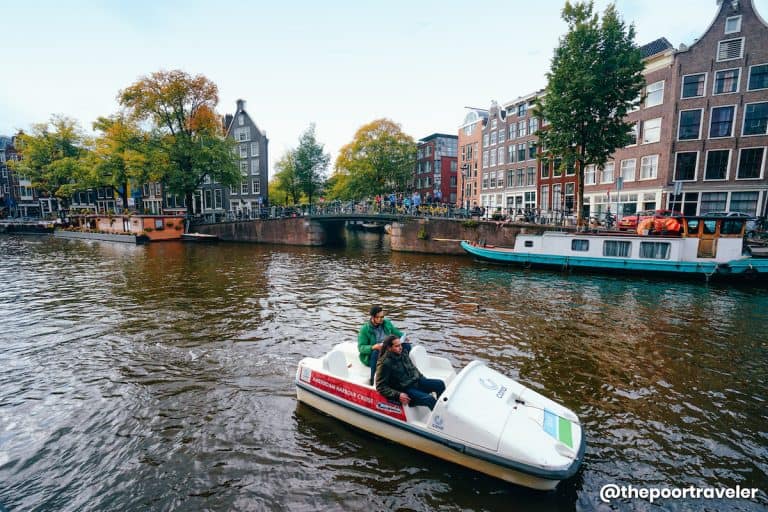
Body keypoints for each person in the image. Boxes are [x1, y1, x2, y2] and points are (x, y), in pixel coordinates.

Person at [375, 335, 445, 410]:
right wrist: (398, 395)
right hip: (405, 389)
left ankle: (442, 409)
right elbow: (380, 386)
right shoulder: (384, 363)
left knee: (440, 384)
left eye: (400, 345)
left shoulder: (403, 353)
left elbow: (413, 368)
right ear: (389, 348)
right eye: (397, 346)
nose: (400, 347)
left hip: (416, 382)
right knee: (429, 399)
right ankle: (439, 416)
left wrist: (423, 379)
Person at [358, 305, 406, 384]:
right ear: (372, 317)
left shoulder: (387, 323)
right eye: (378, 317)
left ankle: (404, 372)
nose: (381, 319)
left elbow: (397, 333)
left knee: (406, 346)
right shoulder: (364, 329)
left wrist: (403, 337)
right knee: (375, 352)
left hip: (388, 349)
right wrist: (373, 347)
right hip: (374, 353)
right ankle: (373, 380)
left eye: (382, 317)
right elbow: (361, 348)